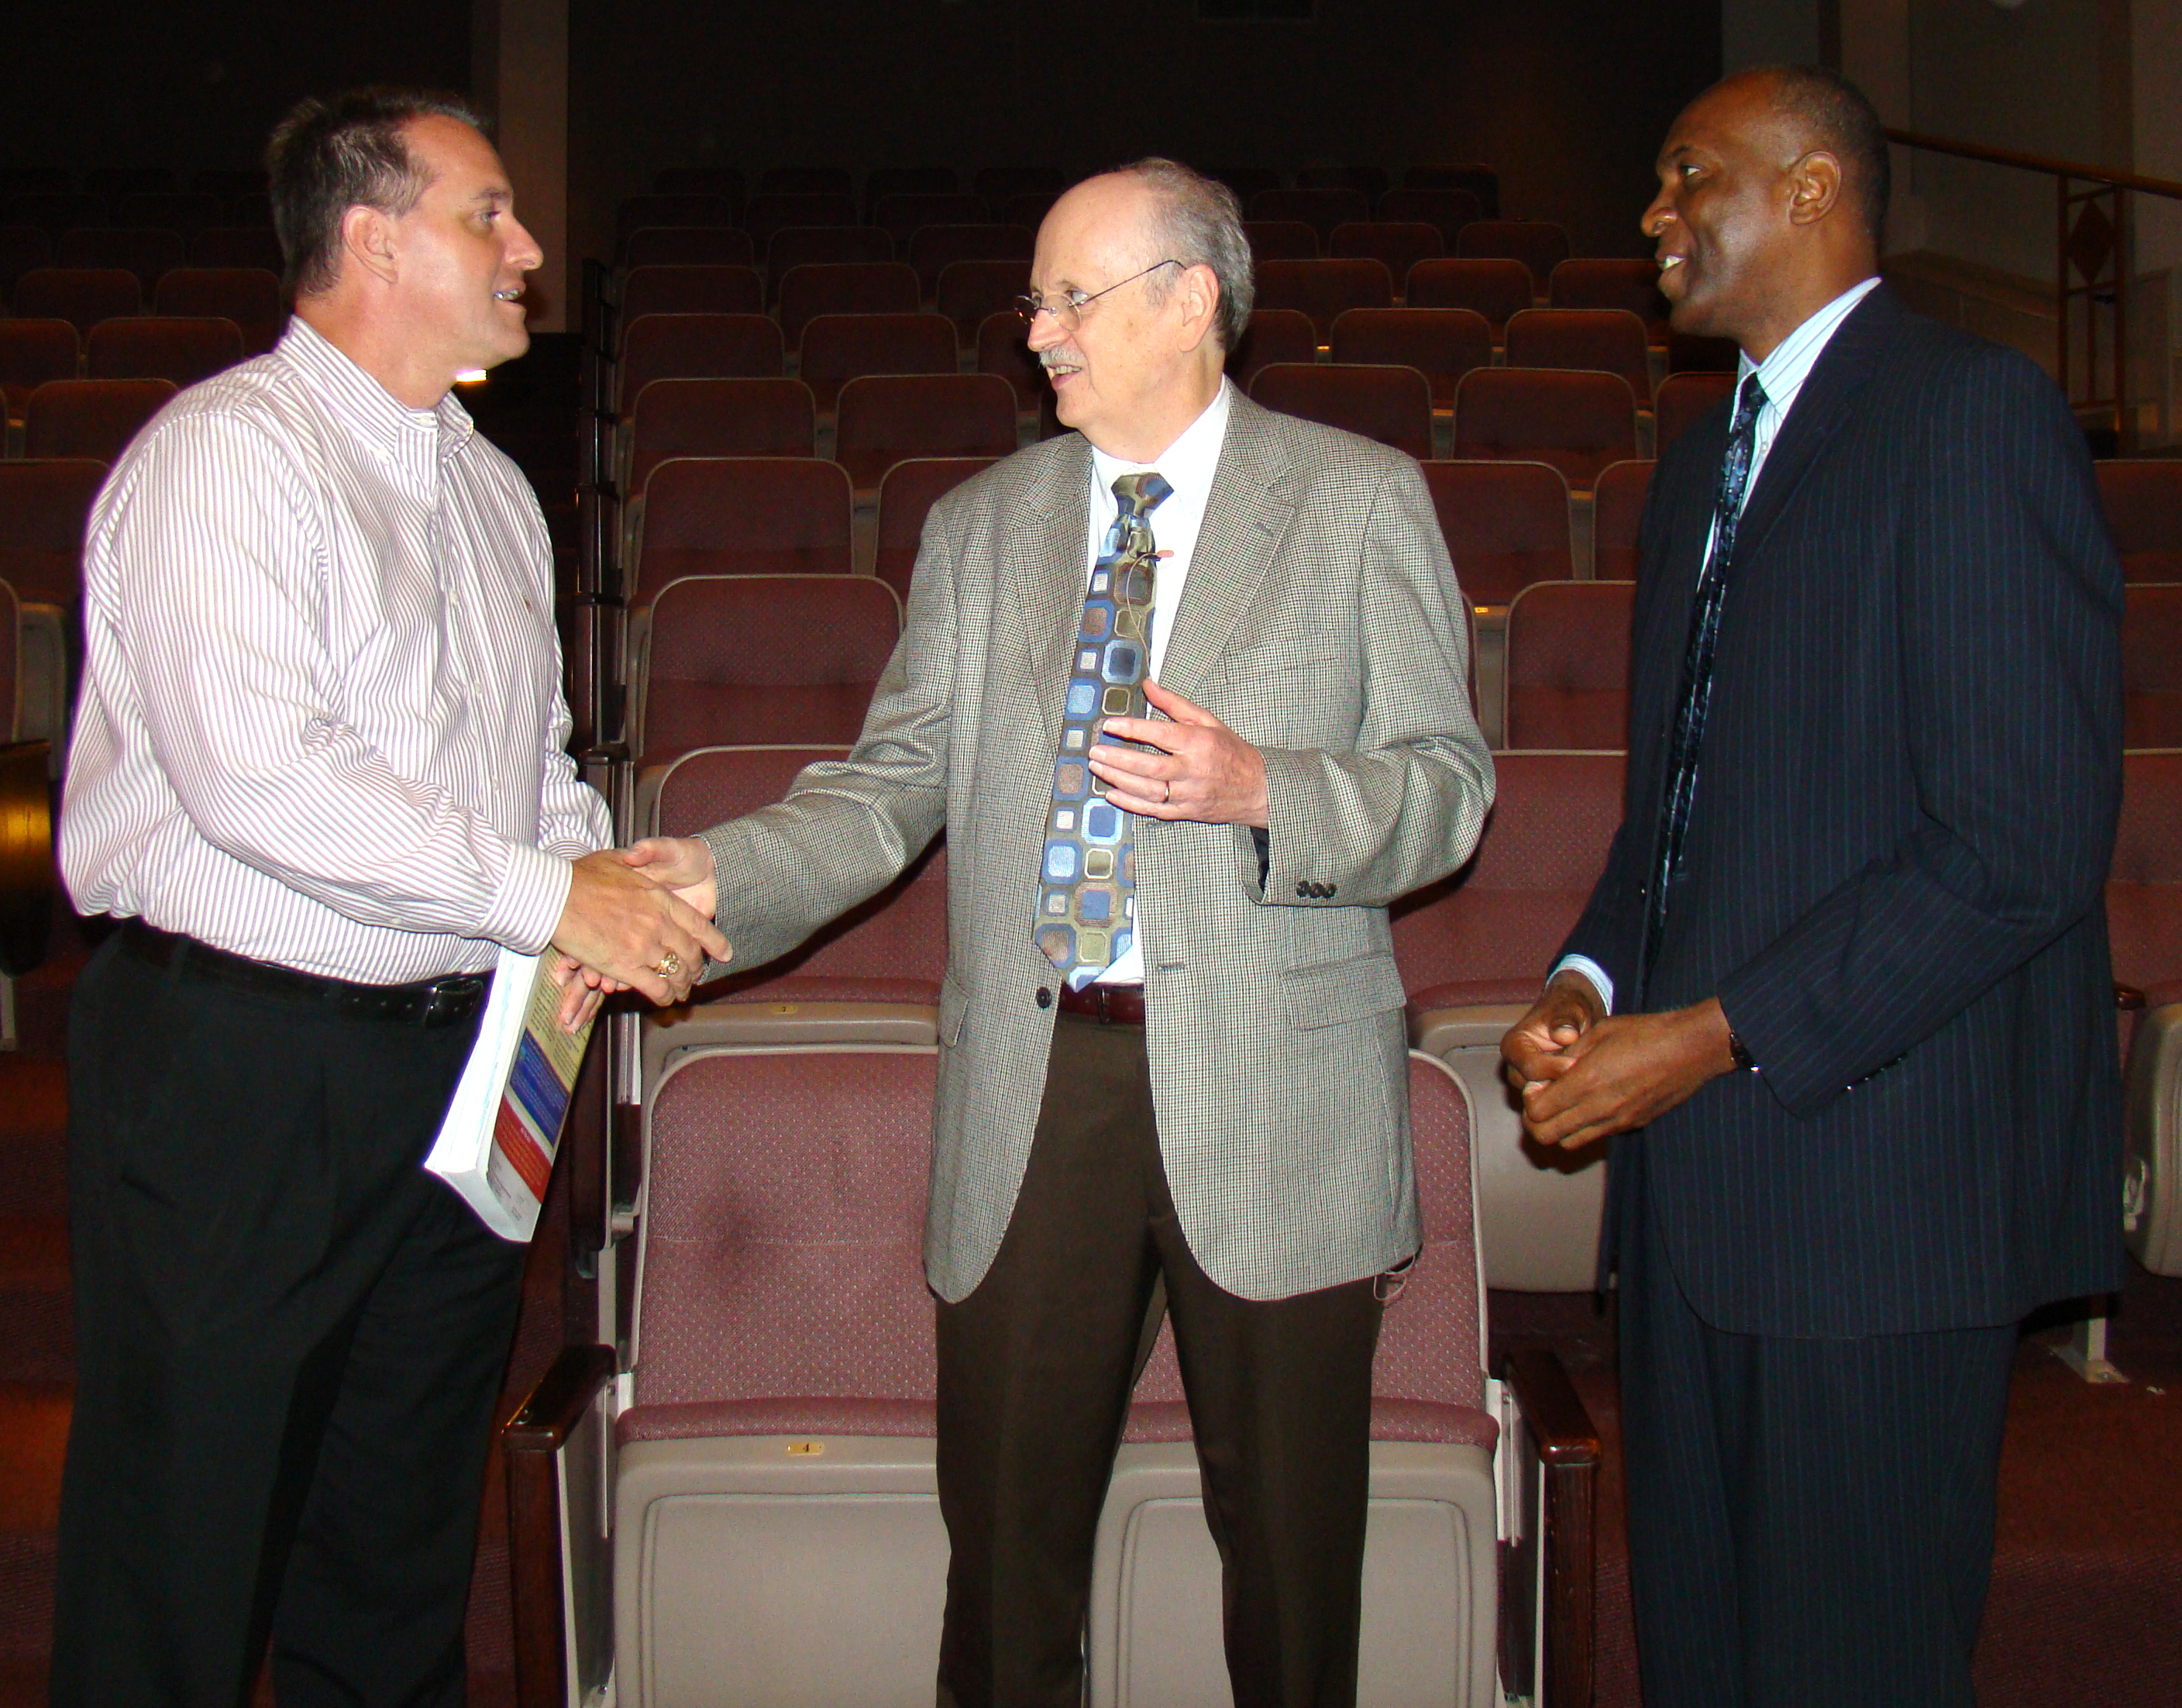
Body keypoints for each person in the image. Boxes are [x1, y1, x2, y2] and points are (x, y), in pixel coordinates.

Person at [625, 158, 1492, 1706]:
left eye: (1067, 295)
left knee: (1293, 1574)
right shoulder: (981, 525)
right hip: (1038, 1096)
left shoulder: (1358, 500)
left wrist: (1261, 785)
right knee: (1008, 1563)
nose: (1034, 330)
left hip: (1278, 1096)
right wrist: (710, 876)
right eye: (1034, 297)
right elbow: (891, 788)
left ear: (1189, 299)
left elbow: (1446, 793)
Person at [53, 88, 727, 1706]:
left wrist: (604, 879)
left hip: (449, 1064)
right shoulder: (229, 458)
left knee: (397, 1537)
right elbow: (261, 776)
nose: (530, 245)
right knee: (185, 1540)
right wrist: (548, 893)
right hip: (242, 1070)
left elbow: (534, 764)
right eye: (488, 212)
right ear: (371, 239)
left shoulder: (487, 483)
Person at [1500, 65, 2123, 1707]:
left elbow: (2019, 843)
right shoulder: (1700, 458)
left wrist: (1707, 1035)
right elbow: (1680, 806)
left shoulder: (1968, 413)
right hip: (1700, 1206)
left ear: (1811, 190)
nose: (1650, 214)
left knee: (1850, 1665)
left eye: (1683, 174)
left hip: (1880, 1198)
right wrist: (1588, 988)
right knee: (1702, 1656)